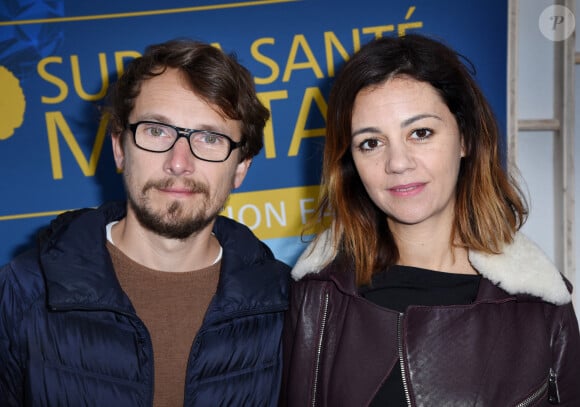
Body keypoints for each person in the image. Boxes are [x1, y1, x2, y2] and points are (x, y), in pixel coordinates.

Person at [279, 33, 580, 406]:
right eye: (371, 142)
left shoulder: (540, 309)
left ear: (466, 139)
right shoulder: (316, 296)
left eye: (420, 133)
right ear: (350, 162)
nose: (398, 163)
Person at [0, 38, 290, 406]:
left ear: (241, 168)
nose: (179, 162)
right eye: (157, 131)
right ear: (120, 147)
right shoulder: (22, 294)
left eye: (210, 138)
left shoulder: (287, 306)